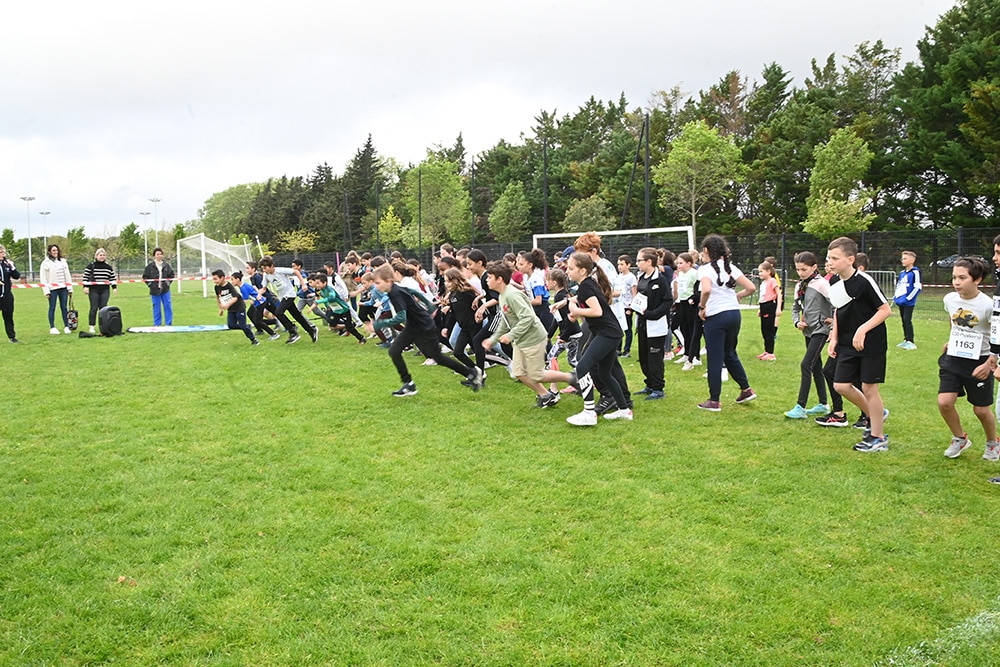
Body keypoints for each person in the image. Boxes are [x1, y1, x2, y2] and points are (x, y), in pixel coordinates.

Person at [366, 263, 483, 397]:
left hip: (424, 327)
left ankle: (472, 373)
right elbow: (414, 292)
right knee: (394, 351)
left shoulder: (395, 293)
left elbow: (400, 317)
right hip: (414, 326)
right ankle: (408, 384)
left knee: (437, 357)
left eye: (378, 282)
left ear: (388, 281)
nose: (376, 286)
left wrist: (380, 324)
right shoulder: (396, 288)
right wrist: (429, 305)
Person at [546, 251, 632, 426]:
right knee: (604, 373)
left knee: (583, 366)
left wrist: (576, 312)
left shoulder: (586, 285)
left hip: (607, 333)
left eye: (570, 268)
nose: (567, 271)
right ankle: (624, 410)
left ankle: (589, 412)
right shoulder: (586, 284)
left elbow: (597, 311)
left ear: (583, 271)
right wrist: (565, 302)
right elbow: (585, 297)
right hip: (608, 332)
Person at [826, 237, 892, 452]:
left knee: (869, 388)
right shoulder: (834, 282)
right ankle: (877, 414)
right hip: (846, 342)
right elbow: (838, 309)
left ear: (850, 259)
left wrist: (863, 329)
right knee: (841, 385)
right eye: (829, 258)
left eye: (835, 258)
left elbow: (885, 310)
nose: (831, 262)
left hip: (871, 343)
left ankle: (878, 437)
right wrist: (834, 337)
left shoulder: (864, 281)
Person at [937, 257, 998, 460]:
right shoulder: (949, 299)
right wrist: (951, 339)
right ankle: (959, 438)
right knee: (944, 402)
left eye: (962, 278)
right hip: (953, 358)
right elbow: (952, 319)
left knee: (981, 410)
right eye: (954, 277)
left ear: (977, 279)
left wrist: (990, 360)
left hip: (980, 361)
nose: (956, 282)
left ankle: (992, 443)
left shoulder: (988, 305)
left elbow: (997, 333)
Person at [481, 261, 559, 408]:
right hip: (521, 339)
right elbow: (505, 320)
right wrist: (493, 339)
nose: (486, 279)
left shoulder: (512, 295)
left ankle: (571, 378)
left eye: (489, 277)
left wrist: (510, 335)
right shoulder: (502, 295)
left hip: (533, 337)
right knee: (519, 372)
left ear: (499, 279)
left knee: (536, 374)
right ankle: (546, 395)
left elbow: (528, 317)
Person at [696, 234, 757, 412]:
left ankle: (714, 400)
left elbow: (706, 289)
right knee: (729, 353)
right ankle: (746, 390)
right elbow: (751, 287)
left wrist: (702, 307)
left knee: (715, 357)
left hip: (716, 316)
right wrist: (737, 296)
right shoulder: (731, 267)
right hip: (733, 314)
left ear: (706, 251)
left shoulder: (705, 269)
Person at [784, 252, 833, 419]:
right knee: (816, 367)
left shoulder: (822, 284)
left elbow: (837, 304)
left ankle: (800, 406)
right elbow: (795, 308)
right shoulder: (800, 285)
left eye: (803, 269)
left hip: (820, 331)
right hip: (808, 331)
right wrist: (797, 322)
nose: (800, 273)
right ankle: (823, 404)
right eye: (797, 269)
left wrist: (832, 321)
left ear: (814, 267)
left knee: (806, 365)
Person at [632, 247, 671, 400]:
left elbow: (667, 301)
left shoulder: (660, 280)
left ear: (649, 261)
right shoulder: (641, 277)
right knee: (644, 356)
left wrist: (653, 314)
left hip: (655, 325)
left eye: (639, 260)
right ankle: (649, 383)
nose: (637, 263)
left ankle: (658, 388)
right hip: (642, 323)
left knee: (655, 357)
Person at [257, 255, 319, 344]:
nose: (264, 270)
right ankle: (311, 330)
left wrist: (303, 284)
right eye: (262, 268)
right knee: (296, 315)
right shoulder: (266, 275)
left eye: (265, 268)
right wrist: (259, 294)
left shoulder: (280, 271)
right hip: (282, 297)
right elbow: (264, 287)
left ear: (271, 266)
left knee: (278, 312)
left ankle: (293, 332)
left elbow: (296, 272)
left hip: (289, 294)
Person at [212, 270, 258, 345]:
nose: (214, 281)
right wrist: (220, 308)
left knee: (242, 325)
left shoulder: (229, 286)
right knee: (231, 325)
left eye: (216, 279)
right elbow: (218, 297)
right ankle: (247, 327)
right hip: (231, 309)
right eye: (213, 279)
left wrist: (227, 305)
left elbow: (235, 298)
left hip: (239, 307)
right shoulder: (217, 287)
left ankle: (253, 339)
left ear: (222, 278)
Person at [674, 252, 702, 371]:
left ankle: (696, 356)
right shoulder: (680, 274)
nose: (679, 265)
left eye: (681, 263)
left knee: (693, 329)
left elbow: (697, 288)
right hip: (682, 302)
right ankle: (687, 353)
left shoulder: (694, 273)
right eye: (678, 263)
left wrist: (693, 298)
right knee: (684, 328)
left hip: (691, 303)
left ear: (689, 263)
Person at [81, 248, 117, 334]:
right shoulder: (91, 266)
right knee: (94, 308)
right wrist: (85, 287)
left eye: (104, 255)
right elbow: (85, 277)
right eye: (100, 255)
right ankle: (91, 326)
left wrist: (114, 287)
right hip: (94, 290)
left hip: (105, 290)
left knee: (103, 308)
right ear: (96, 256)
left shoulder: (108, 267)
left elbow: (112, 278)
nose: (102, 257)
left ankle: (103, 326)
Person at [40, 243, 73, 334]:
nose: (56, 252)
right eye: (54, 250)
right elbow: (43, 278)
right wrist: (46, 291)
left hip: (63, 288)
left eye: (57, 250)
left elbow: (68, 276)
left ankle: (66, 326)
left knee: (64, 307)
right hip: (52, 289)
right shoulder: (45, 263)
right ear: (49, 252)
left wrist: (70, 289)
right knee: (52, 307)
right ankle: (52, 327)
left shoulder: (63, 261)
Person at [894, 250, 922, 350]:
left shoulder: (915, 272)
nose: (902, 260)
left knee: (907, 320)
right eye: (902, 258)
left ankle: (910, 341)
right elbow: (899, 286)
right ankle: (906, 339)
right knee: (903, 320)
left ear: (912, 260)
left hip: (908, 302)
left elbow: (917, 287)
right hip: (901, 301)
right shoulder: (902, 273)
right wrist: (896, 297)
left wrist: (909, 298)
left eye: (905, 258)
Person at [142, 247, 174, 326]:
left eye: (160, 254)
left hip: (165, 290)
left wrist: (167, 283)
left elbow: (171, 275)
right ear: (154, 256)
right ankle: (157, 324)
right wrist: (150, 285)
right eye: (157, 254)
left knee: (168, 306)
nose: (159, 255)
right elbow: (145, 277)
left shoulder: (166, 266)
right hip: (154, 290)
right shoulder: (149, 267)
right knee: (156, 308)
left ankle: (168, 323)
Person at [756, 260, 780, 361]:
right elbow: (763, 296)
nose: (759, 273)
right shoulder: (763, 283)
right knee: (764, 330)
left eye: (761, 271)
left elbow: (779, 294)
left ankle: (771, 353)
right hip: (763, 306)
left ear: (768, 271)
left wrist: (778, 308)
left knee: (769, 330)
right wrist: (760, 308)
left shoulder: (773, 281)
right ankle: (766, 351)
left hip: (770, 306)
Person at [617, 254, 638, 357]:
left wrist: (631, 307)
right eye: (618, 264)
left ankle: (627, 350)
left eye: (622, 264)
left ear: (628, 265)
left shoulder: (631, 277)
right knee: (618, 328)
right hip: (619, 306)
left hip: (627, 306)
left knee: (627, 329)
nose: (619, 266)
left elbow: (634, 292)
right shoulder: (618, 276)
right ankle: (618, 348)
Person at [0, 244, 20, 342]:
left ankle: (12, 337)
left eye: (3, 252)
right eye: (1, 252)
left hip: (7, 295)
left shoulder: (6, 264)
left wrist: (12, 267)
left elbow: (17, 276)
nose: (3, 254)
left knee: (8, 317)